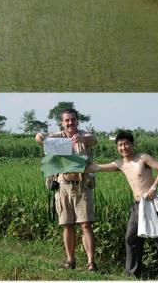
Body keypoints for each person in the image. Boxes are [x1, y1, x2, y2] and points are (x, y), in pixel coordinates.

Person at [85, 131, 158, 280]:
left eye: (126, 144)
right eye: (120, 145)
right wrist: (73, 164)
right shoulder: (120, 163)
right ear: (117, 147)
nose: (123, 147)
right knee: (131, 239)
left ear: (132, 144)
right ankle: (132, 274)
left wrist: (153, 188)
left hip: (152, 203)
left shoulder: (143, 158)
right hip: (137, 207)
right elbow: (97, 168)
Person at [35, 108, 98, 272]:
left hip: (82, 185)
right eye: (67, 120)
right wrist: (39, 137)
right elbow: (42, 140)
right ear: (62, 123)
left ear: (77, 121)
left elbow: (93, 139)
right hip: (62, 186)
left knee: (86, 224)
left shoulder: (84, 135)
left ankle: (91, 263)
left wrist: (82, 138)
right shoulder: (58, 137)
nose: (70, 123)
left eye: (73, 120)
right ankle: (70, 260)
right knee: (67, 225)